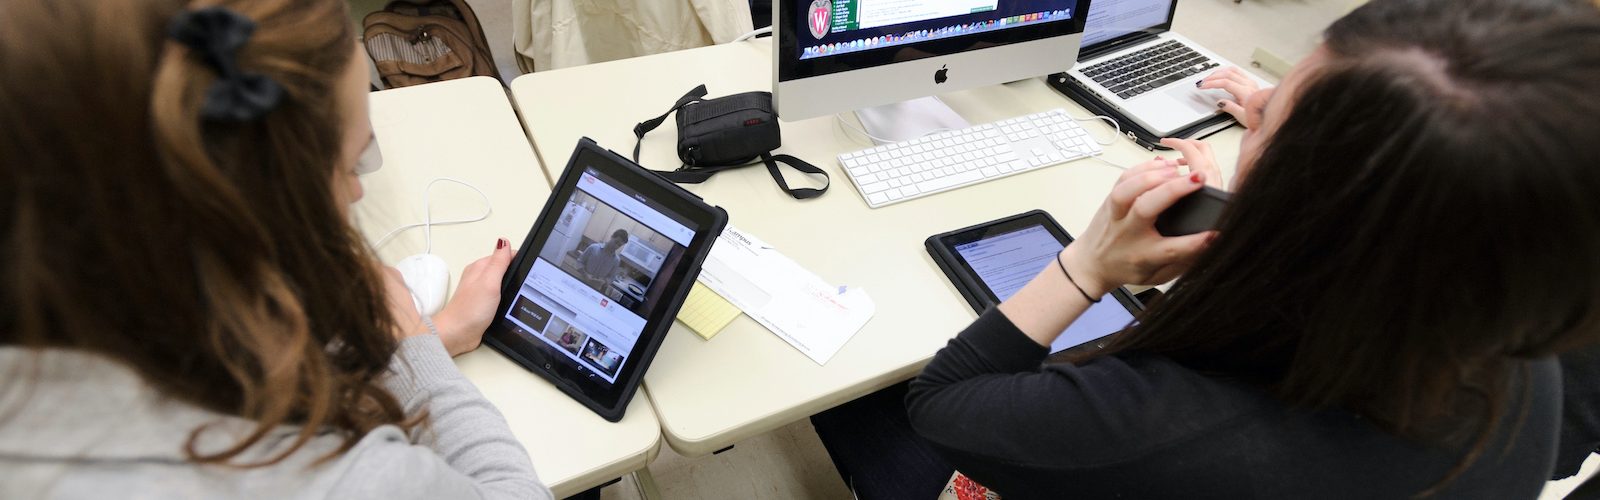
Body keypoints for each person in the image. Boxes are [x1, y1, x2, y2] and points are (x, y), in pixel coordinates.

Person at [901, 0, 1600, 498]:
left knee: (862, 407)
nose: (1251, 113)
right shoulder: (1506, 330)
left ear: (1305, 198)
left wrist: (1090, 263)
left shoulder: (1165, 431)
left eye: (1266, 118)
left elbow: (942, 404)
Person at [0, 1, 551, 498]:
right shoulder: (342, 480)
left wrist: (434, 334)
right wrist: (414, 350)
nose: (358, 190)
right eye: (351, 162)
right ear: (244, 211)